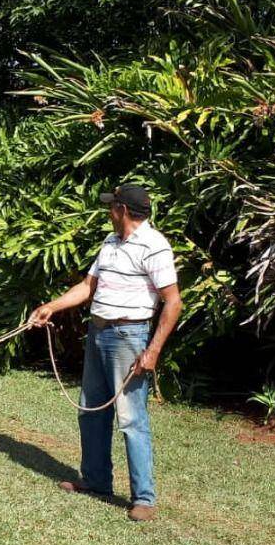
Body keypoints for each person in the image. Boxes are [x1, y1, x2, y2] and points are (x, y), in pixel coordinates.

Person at [28, 183, 182, 522]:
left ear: (123, 211)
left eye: (112, 206)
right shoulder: (111, 243)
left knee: (131, 420)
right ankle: (97, 481)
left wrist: (153, 350)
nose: (109, 211)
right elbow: (88, 286)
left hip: (128, 336)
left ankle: (144, 498)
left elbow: (173, 302)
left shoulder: (154, 246)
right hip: (99, 333)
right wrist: (50, 307)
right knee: (90, 411)